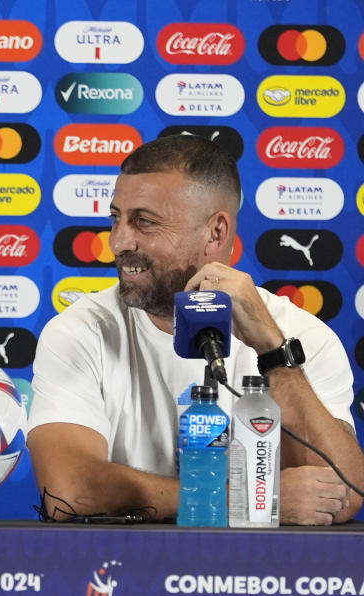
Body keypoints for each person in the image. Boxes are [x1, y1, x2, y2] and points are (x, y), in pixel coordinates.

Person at [27, 134, 364, 525]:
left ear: (216, 233)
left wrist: (274, 351)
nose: (118, 241)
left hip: (262, 580)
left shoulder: (300, 336)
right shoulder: (80, 331)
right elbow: (68, 492)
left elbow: (342, 493)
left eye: (144, 222)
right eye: (116, 217)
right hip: (125, 575)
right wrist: (242, 499)